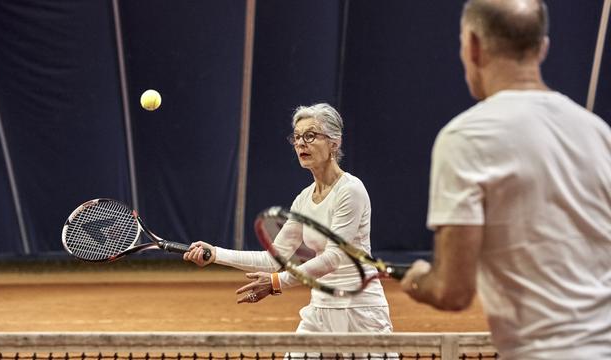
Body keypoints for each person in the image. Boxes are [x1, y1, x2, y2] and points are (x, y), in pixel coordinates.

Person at [399, 0, 611, 358]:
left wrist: (420, 279)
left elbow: (453, 291)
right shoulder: (599, 133)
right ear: (542, 48)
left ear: (473, 46)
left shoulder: (464, 137)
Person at [185, 103, 395, 338]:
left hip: (361, 310)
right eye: (296, 137)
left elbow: (334, 257)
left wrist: (278, 282)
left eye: (310, 136)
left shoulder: (350, 190)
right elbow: (273, 259)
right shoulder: (303, 200)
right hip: (320, 311)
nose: (301, 143)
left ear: (334, 143)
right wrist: (215, 254)